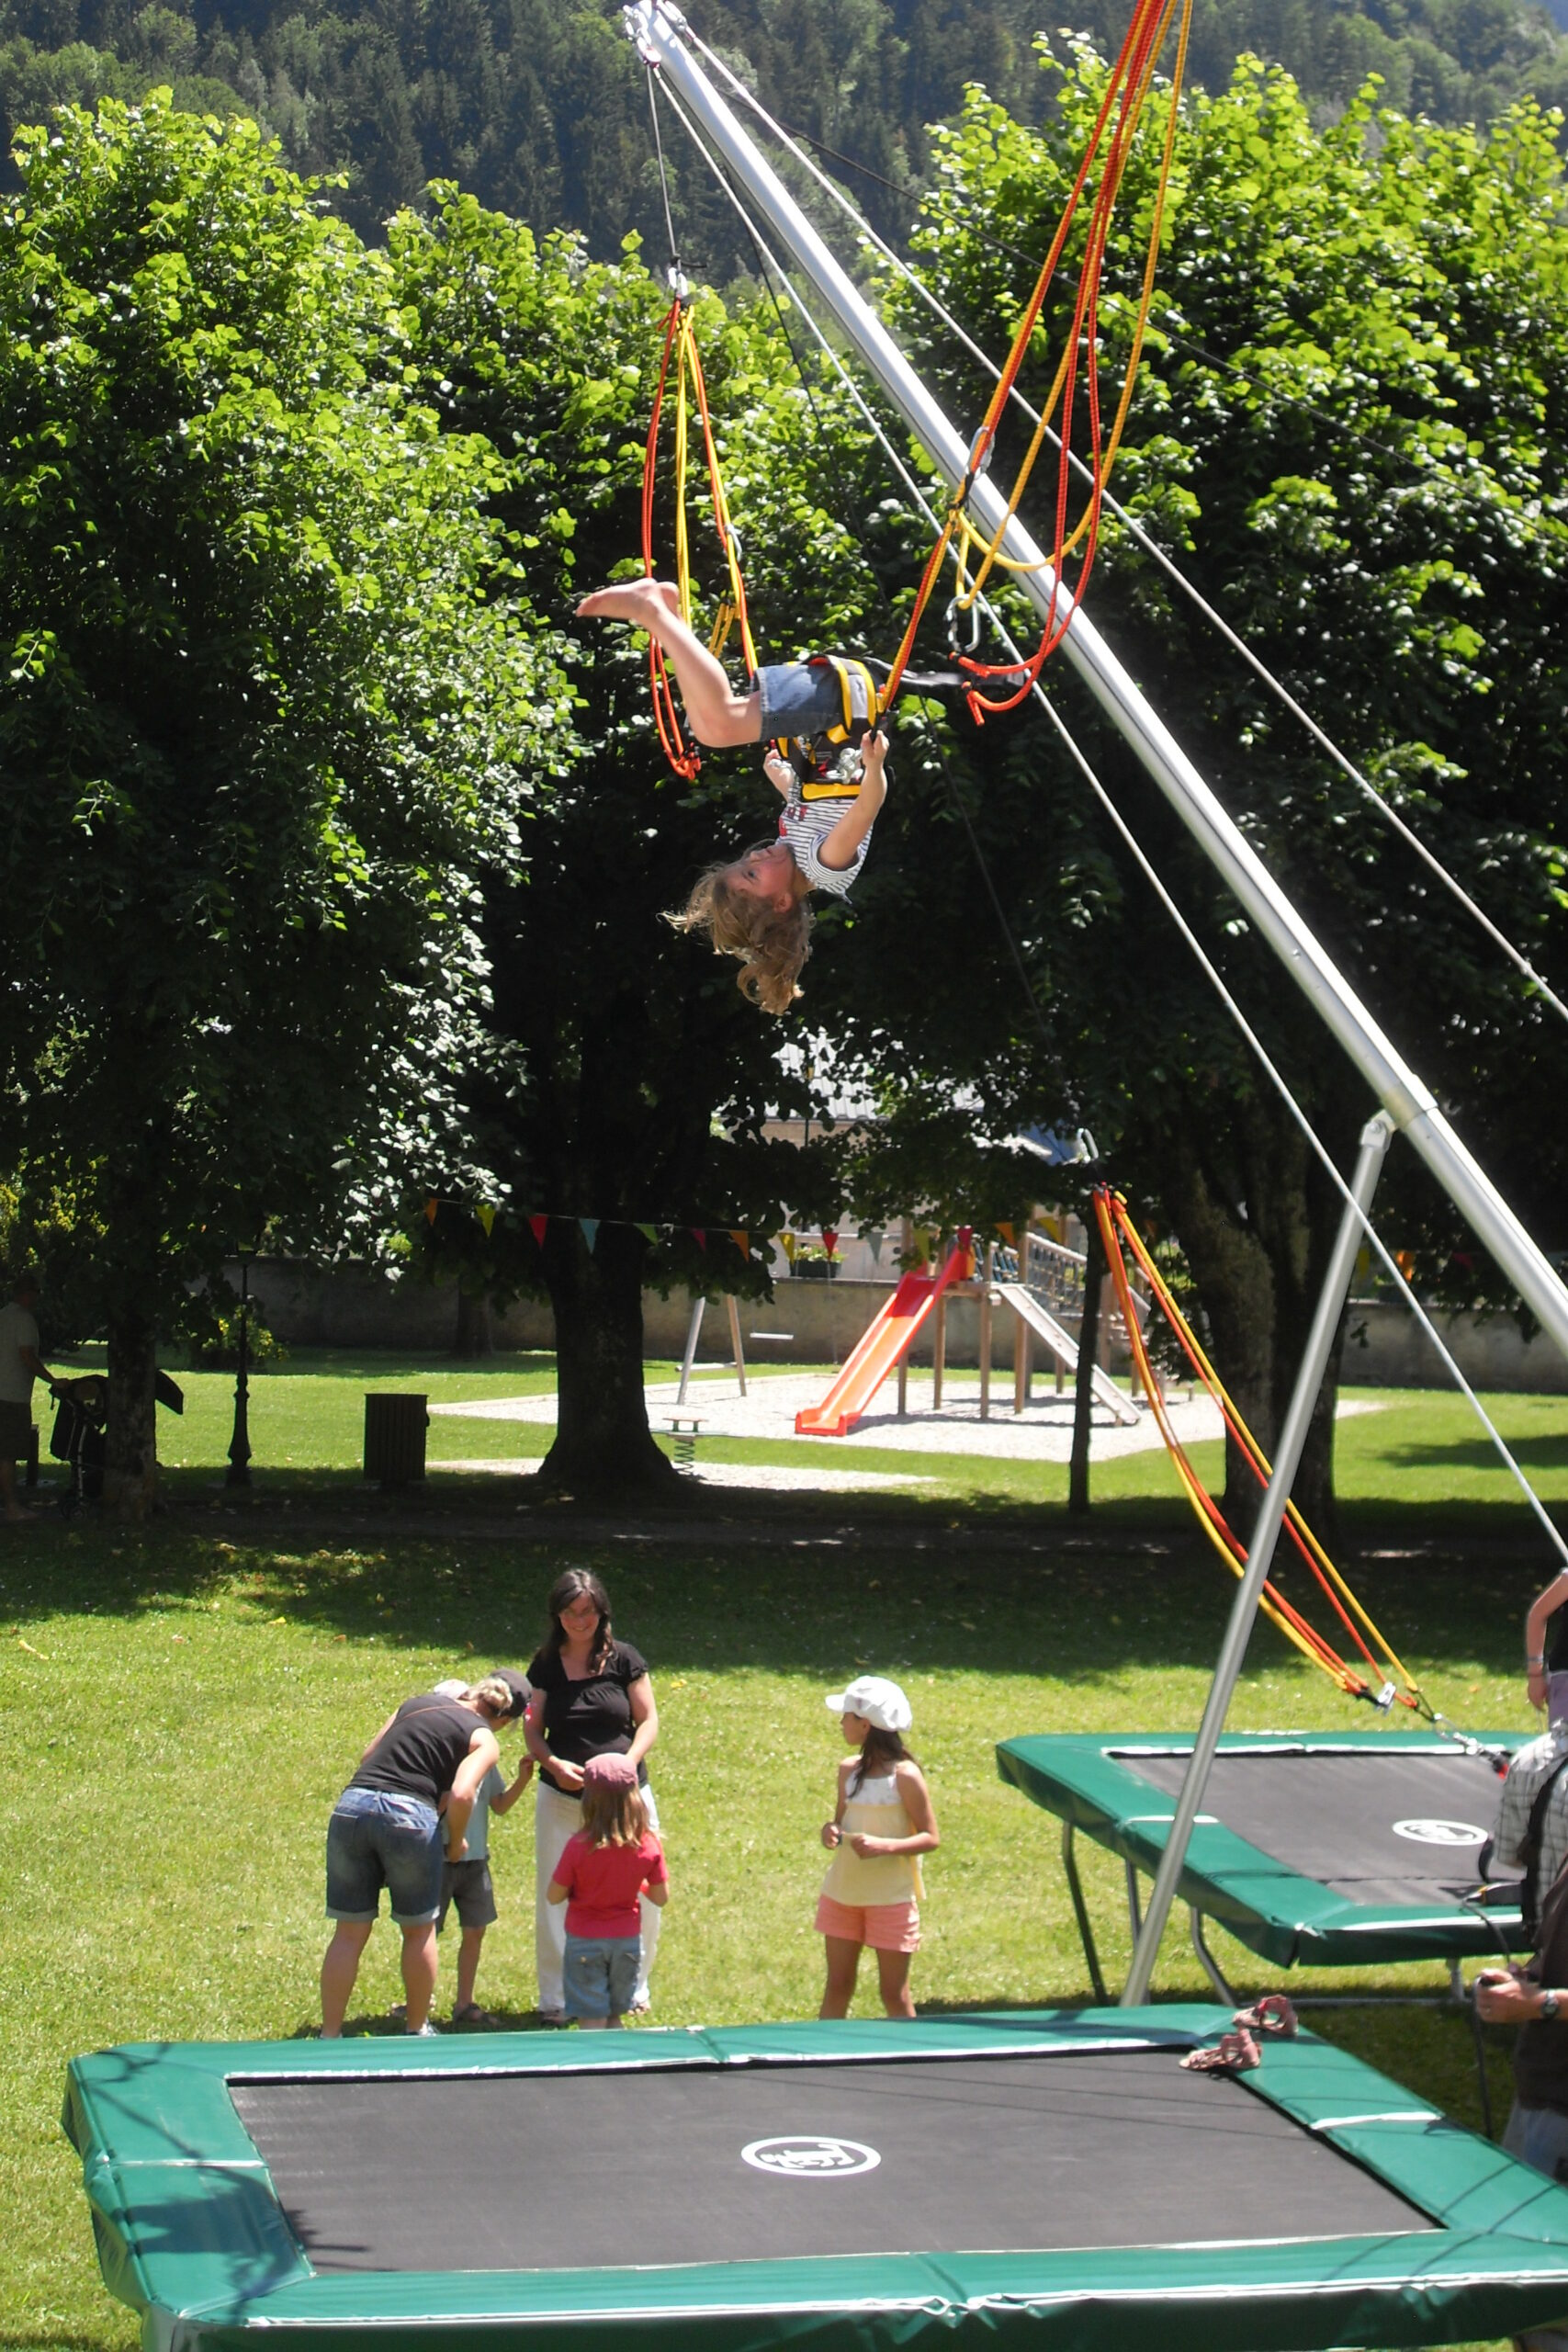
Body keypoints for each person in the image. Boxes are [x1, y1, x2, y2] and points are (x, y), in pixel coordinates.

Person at [575, 579, 887, 1012]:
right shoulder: (825, 866)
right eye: (753, 874)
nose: (753, 857)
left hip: (827, 720)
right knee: (719, 726)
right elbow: (865, 806)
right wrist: (875, 766)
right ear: (782, 902)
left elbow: (817, 806)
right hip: (841, 711)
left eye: (743, 863)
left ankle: (666, 618)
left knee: (706, 727)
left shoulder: (793, 851)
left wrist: (784, 782)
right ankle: (653, 612)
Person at [320, 1674, 523, 2038]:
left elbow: (368, 1757)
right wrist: (456, 1842)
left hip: (353, 1806)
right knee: (419, 1931)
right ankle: (417, 2029)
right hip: (409, 1815)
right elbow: (463, 1794)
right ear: (503, 1719)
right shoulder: (483, 1737)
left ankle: (329, 2034)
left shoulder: (414, 1704)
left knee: (348, 1932)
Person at [525, 1569, 661, 2022]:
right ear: (557, 1615)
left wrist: (628, 1763)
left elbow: (648, 1720)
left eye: (587, 1612)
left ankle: (634, 1987)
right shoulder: (546, 1663)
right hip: (562, 1797)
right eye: (570, 1612)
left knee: (640, 1887)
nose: (579, 1621)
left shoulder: (625, 1659)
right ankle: (558, 1997)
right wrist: (552, 1764)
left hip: (626, 1797)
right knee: (555, 1892)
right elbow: (533, 1729)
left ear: (602, 1612)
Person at [1476, 1854, 1568, 2351]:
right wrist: (1524, 1982)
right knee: (1520, 2283)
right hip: (1540, 2091)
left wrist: (1539, 2004)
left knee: (1548, 2298)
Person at [817, 1674, 939, 2020]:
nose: (841, 1722)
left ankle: (911, 2052)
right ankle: (822, 2049)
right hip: (842, 1894)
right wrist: (831, 1831)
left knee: (894, 1994)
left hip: (891, 1900)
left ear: (865, 1725)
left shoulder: (905, 1776)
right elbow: (840, 1821)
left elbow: (931, 1837)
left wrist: (884, 1847)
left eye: (846, 1716)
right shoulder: (848, 1771)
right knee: (837, 1986)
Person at [430, 1671, 534, 2025]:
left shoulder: (484, 1758)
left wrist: (522, 1780)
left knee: (475, 1930)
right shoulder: (444, 1754)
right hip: (440, 1856)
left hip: (475, 1861)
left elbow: (499, 1805)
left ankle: (464, 2002)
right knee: (427, 1931)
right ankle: (420, 1998)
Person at [546, 1753, 670, 2030]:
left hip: (585, 1941)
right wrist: (637, 1882)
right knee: (614, 2016)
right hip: (627, 1943)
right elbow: (661, 1897)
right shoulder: (648, 1845)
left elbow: (554, 1895)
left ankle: (594, 2059)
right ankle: (620, 2058)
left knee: (592, 2018)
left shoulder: (579, 1846)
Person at [0, 1271, 61, 1524]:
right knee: (7, 1455)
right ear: (28, 1294)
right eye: (36, 1293)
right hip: (11, 1397)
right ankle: (12, 1507)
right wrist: (52, 1380)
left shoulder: (3, 1315)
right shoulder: (24, 1319)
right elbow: (27, 1355)